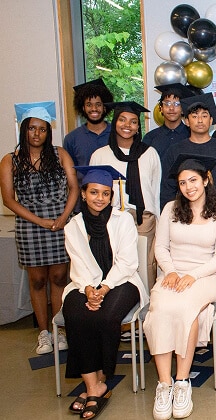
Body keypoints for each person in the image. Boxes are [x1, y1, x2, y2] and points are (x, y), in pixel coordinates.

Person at [144, 154, 216, 420]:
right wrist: (169, 271)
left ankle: (182, 382)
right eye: (182, 183)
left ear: (206, 180)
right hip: (171, 274)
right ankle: (164, 384)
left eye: (193, 180)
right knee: (159, 310)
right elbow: (160, 246)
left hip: (204, 277)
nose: (188, 187)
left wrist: (192, 275)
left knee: (184, 308)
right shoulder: (170, 209)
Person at [61, 166, 148, 419]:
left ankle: (100, 378)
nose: (100, 198)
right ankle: (93, 385)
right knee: (75, 314)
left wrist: (104, 287)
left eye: (106, 193)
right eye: (94, 192)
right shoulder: (73, 226)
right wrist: (89, 289)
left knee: (106, 317)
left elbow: (128, 262)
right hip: (83, 282)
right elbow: (77, 263)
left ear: (111, 196)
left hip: (122, 282)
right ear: (84, 194)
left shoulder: (123, 221)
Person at [0, 102, 79, 354]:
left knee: (59, 277)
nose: (37, 134)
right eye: (32, 128)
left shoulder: (60, 154)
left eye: (42, 129)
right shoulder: (9, 161)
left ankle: (60, 330)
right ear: (24, 130)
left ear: (48, 132)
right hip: (29, 226)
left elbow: (74, 188)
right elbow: (8, 200)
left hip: (59, 223)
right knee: (37, 280)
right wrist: (40, 221)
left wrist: (63, 217)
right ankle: (43, 333)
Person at [90, 101, 161, 288]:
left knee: (144, 267)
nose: (127, 125)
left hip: (143, 219)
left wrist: (159, 223)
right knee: (114, 266)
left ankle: (145, 310)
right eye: (122, 120)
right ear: (114, 123)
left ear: (138, 127)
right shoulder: (100, 155)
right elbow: (93, 191)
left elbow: (156, 190)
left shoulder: (149, 153)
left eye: (133, 122)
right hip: (111, 218)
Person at [160, 92, 216, 210]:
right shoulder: (175, 151)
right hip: (184, 215)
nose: (200, 120)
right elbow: (168, 189)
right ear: (187, 121)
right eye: (194, 116)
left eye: (204, 116)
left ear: (211, 120)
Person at [63, 78, 114, 167]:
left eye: (98, 104)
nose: (94, 109)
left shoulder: (117, 134)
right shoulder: (71, 139)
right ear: (83, 108)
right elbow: (70, 171)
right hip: (83, 181)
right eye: (89, 105)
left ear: (105, 107)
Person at [142, 83, 194, 157]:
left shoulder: (191, 135)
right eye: (167, 103)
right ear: (161, 108)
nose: (171, 108)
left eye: (176, 104)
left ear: (183, 109)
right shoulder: (150, 138)